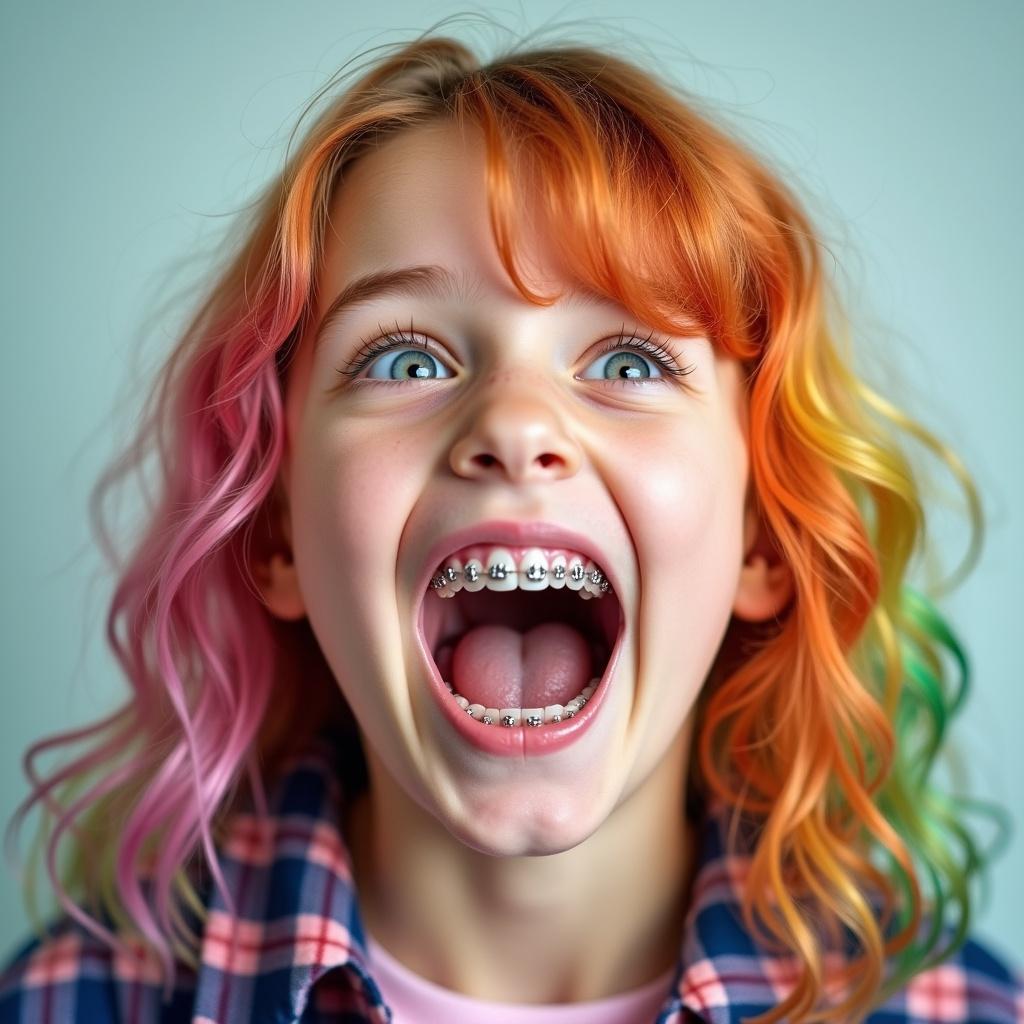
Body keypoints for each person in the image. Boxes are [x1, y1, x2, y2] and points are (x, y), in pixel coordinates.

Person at [1, 23, 1021, 1024]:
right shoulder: (68, 1003)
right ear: (277, 535)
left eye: (628, 361)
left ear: (760, 535)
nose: (517, 422)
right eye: (406, 359)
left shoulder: (963, 1011)